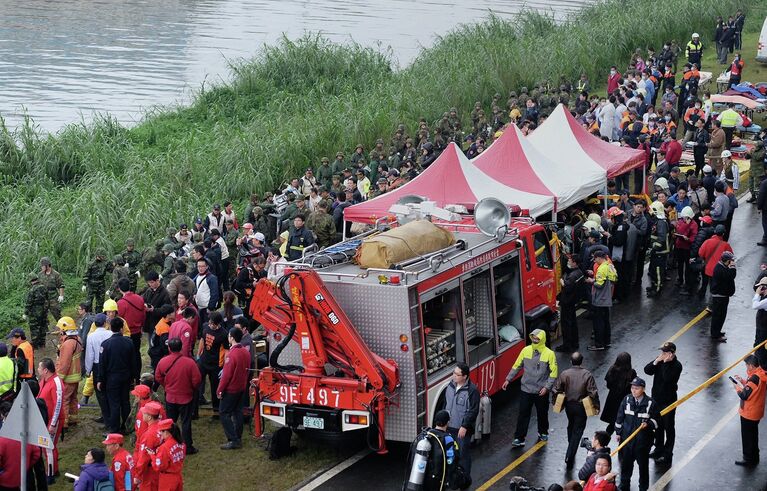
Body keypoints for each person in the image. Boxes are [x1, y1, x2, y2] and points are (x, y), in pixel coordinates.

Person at [503, 329, 558, 448]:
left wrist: (547, 387)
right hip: (526, 390)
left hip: (541, 391)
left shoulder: (549, 354)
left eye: (537, 339)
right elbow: (517, 366)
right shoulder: (525, 351)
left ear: (542, 339)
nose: (535, 340)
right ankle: (519, 438)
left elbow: (553, 373)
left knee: (542, 413)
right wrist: (508, 379)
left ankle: (543, 432)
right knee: (523, 414)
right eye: (533, 338)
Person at [552, 352, 599, 467]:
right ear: (582, 362)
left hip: (569, 405)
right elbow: (593, 393)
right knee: (578, 430)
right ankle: (570, 455)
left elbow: (556, 389)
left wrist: (555, 402)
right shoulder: (587, 374)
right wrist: (596, 406)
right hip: (581, 406)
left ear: (571, 361)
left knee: (571, 425)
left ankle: (571, 445)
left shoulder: (564, 374)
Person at [155, 338, 201, 454]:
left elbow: (158, 376)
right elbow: (197, 380)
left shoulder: (163, 362)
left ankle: (169, 444)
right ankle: (188, 447)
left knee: (170, 422)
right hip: (186, 397)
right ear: (181, 347)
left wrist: (166, 386)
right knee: (186, 422)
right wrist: (190, 388)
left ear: (169, 348)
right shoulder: (190, 362)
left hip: (170, 397)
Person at [615, 377, 659, 491]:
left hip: (642, 443)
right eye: (632, 388)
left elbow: (657, 421)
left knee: (643, 467)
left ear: (643, 389)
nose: (633, 390)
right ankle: (624, 486)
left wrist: (648, 424)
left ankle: (643, 488)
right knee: (626, 466)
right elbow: (620, 418)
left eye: (637, 388)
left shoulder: (650, 404)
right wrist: (618, 433)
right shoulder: (626, 400)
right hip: (627, 441)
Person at [644, 342, 683, 465]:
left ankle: (667, 453)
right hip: (656, 400)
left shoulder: (677, 366)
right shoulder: (660, 361)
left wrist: (666, 363)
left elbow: (667, 379)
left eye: (665, 352)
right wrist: (656, 361)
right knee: (658, 425)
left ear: (672, 353)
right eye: (662, 352)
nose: (662, 354)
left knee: (668, 427)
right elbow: (647, 370)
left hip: (668, 401)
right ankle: (658, 448)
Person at [405, 409, 461, 491]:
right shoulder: (448, 439)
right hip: (437, 480)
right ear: (447, 422)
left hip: (423, 477)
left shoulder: (425, 434)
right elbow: (451, 461)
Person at [97, 317, 136, 434]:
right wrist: (134, 377)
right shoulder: (129, 342)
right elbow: (133, 362)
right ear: (121, 328)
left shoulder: (106, 344)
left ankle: (114, 428)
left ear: (110, 327)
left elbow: (102, 364)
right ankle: (126, 426)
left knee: (114, 403)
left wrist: (100, 379)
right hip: (125, 376)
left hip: (111, 378)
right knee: (125, 401)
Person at [443, 362, 479, 483]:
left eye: (457, 374)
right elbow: (446, 405)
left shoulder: (472, 390)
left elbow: (473, 411)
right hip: (449, 427)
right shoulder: (450, 386)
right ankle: (451, 478)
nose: (454, 376)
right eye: (453, 373)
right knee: (450, 454)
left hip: (461, 429)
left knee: (463, 454)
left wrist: (464, 426)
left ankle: (464, 479)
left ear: (465, 376)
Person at [218, 328, 250, 450]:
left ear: (231, 337)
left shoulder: (232, 354)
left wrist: (220, 390)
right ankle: (238, 436)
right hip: (241, 387)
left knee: (224, 413)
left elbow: (226, 376)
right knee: (238, 412)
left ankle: (233, 439)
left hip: (231, 389)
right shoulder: (245, 352)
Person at [732, 355, 767, 466]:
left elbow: (744, 395)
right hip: (757, 411)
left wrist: (736, 387)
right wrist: (742, 381)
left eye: (747, 365)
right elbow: (752, 388)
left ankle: (748, 459)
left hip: (749, 413)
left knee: (747, 437)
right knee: (753, 435)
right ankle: (755, 457)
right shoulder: (760, 374)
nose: (746, 367)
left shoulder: (754, 378)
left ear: (751, 365)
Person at [197, 311, 229, 416]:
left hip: (216, 365)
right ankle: (196, 406)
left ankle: (216, 412)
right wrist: (199, 353)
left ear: (218, 323)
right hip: (203, 361)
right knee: (197, 383)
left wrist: (224, 366)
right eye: (210, 322)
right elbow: (202, 339)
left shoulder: (224, 334)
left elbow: (226, 350)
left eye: (213, 324)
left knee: (215, 388)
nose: (210, 325)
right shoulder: (206, 327)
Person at [37, 357, 63, 481]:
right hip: (44, 419)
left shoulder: (56, 382)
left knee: (48, 447)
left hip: (53, 420)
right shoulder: (44, 380)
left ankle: (51, 474)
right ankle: (54, 469)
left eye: (39, 368)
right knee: (46, 446)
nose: (37, 369)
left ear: (46, 370)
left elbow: (58, 404)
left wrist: (52, 424)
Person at [84, 313, 112, 424]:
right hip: (109, 365)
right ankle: (109, 415)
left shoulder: (91, 336)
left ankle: (106, 416)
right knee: (109, 390)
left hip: (97, 366)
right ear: (105, 323)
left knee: (100, 393)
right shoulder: (110, 334)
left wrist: (88, 370)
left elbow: (89, 355)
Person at [54, 317, 82, 428]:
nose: (59, 332)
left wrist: (58, 378)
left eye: (60, 329)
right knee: (73, 398)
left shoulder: (68, 344)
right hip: (76, 376)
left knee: (64, 399)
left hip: (68, 377)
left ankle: (63, 423)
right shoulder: (77, 339)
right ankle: (73, 419)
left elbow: (64, 363)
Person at [587, 251, 617, 350]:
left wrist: (592, 281)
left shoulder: (602, 268)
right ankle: (607, 342)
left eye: (595, 259)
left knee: (598, 323)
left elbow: (599, 284)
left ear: (599, 258)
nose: (594, 261)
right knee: (606, 321)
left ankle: (599, 344)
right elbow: (614, 278)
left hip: (600, 300)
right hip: (607, 298)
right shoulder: (610, 265)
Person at [601, 352, 636, 435]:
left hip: (612, 399)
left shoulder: (612, 370)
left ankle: (604, 441)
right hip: (625, 401)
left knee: (612, 424)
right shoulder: (631, 373)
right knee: (623, 423)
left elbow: (608, 384)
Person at [556, 255, 584, 352]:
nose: (569, 262)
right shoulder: (580, 273)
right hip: (573, 301)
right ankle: (574, 343)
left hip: (567, 302)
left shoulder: (572, 276)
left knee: (566, 324)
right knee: (573, 323)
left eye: (570, 261)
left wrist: (561, 281)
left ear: (575, 263)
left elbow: (567, 287)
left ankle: (567, 346)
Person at [133, 401, 163, 490]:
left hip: (149, 471)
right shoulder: (161, 427)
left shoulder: (148, 435)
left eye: (144, 413)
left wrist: (138, 475)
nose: (142, 414)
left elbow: (144, 458)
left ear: (149, 417)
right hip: (158, 467)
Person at [709, 251, 737, 341]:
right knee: (718, 316)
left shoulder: (722, 267)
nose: (732, 262)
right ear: (728, 261)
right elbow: (731, 275)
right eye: (731, 260)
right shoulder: (720, 269)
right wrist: (733, 267)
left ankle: (717, 331)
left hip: (723, 296)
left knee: (721, 315)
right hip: (720, 297)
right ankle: (715, 334)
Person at [698, 224, 732, 298]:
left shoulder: (707, 242)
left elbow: (700, 253)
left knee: (704, 283)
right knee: (714, 287)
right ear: (723, 233)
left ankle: (701, 296)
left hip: (707, 268)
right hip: (718, 271)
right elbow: (730, 257)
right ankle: (712, 303)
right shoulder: (726, 245)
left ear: (715, 232)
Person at [151, 419, 186, 491]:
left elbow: (159, 466)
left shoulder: (164, 447)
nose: (160, 433)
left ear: (166, 432)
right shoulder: (181, 443)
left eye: (161, 431)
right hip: (178, 476)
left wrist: (152, 456)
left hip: (167, 480)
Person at [24, 272, 49, 349]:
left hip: (34, 312)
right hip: (43, 310)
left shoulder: (32, 290)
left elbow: (29, 302)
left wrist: (25, 313)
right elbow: (47, 298)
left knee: (34, 328)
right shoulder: (44, 287)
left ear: (31, 280)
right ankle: (42, 343)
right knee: (42, 326)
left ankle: (35, 345)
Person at [82, 249, 110, 313]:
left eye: (104, 256)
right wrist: (84, 284)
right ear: (98, 256)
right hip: (92, 284)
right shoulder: (91, 263)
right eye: (102, 256)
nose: (103, 258)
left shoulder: (105, 262)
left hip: (101, 284)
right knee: (89, 301)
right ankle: (89, 315)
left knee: (100, 301)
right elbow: (86, 274)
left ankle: (99, 314)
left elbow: (111, 269)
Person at [38, 257, 64, 323]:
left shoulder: (56, 274)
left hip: (53, 298)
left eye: (43, 266)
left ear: (47, 265)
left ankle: (63, 328)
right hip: (44, 298)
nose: (42, 268)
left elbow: (61, 285)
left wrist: (61, 295)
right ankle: (45, 330)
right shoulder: (40, 275)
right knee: (43, 315)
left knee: (57, 314)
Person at [752, 277, 767, 369]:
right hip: (761, 328)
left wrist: (757, 294)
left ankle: (762, 368)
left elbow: (755, 305)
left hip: (764, 329)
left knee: (761, 349)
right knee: (758, 346)